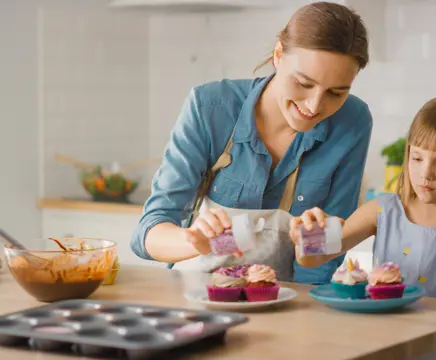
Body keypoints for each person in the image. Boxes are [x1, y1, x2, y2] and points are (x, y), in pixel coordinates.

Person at [130, 1, 373, 284]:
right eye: (304, 83)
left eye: (336, 92)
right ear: (279, 54)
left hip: (287, 300)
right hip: (197, 293)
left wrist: (314, 246)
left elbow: (321, 259)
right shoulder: (210, 107)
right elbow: (148, 232)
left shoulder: (352, 122)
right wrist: (192, 240)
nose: (314, 105)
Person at [289, 94, 436, 331]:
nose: (425, 173)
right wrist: (307, 234)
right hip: (388, 341)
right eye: (416, 158)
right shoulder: (382, 211)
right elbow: (313, 257)